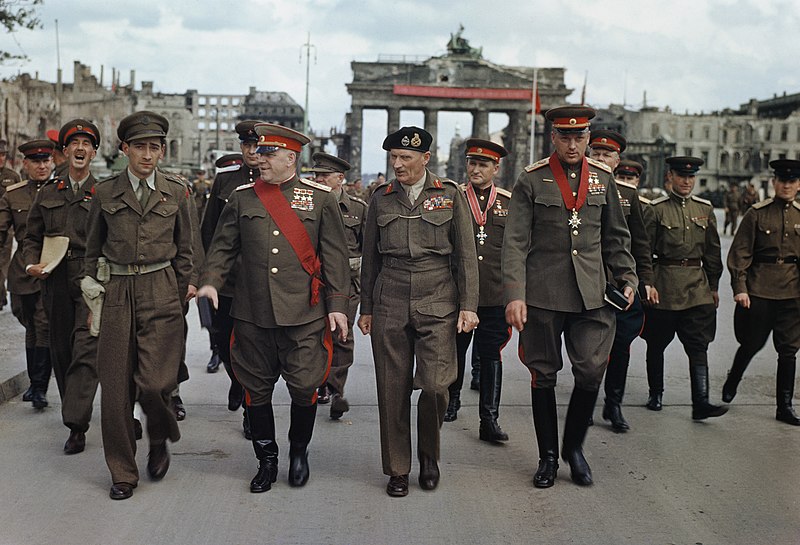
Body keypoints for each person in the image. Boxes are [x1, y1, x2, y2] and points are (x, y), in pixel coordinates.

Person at [198, 123, 350, 494]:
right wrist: (210, 282)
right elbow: (222, 248)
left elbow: (335, 258)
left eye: (268, 154)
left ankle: (299, 452)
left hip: (304, 314)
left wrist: (338, 306)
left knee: (304, 387)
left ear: (290, 158)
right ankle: (266, 460)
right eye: (258, 152)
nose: (259, 159)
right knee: (256, 391)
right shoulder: (242, 197)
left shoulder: (320, 199)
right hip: (253, 314)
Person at [502, 106, 637, 488]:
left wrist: (626, 275)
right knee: (543, 373)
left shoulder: (602, 179)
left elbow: (615, 236)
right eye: (565, 136)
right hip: (543, 294)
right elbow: (514, 243)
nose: (573, 144)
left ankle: (573, 448)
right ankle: (547, 457)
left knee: (592, 369)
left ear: (589, 138)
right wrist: (515, 295)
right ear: (554, 138)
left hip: (592, 295)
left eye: (580, 137)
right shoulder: (532, 180)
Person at [358, 126, 479, 497]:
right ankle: (397, 468)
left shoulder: (449, 194)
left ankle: (429, 453)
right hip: (390, 296)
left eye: (406, 158)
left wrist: (468, 306)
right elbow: (370, 258)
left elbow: (465, 256)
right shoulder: (380, 197)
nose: (398, 164)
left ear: (425, 159)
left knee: (435, 384)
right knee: (391, 388)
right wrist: (366, 308)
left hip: (437, 296)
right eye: (393, 157)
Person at [82, 111, 193, 500]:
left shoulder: (177, 192)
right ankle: (123, 473)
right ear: (125, 149)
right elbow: (91, 248)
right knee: (114, 389)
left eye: (155, 147)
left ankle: (159, 433)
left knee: (156, 383)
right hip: (116, 291)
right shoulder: (106, 192)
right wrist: (92, 288)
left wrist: (178, 298)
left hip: (161, 288)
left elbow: (186, 253)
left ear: (162, 151)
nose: (148, 155)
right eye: (141, 147)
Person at [23, 119, 101, 454]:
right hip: (54, 279)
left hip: (90, 280)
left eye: (87, 144)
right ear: (65, 151)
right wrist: (30, 263)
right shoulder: (48, 193)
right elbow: (31, 237)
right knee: (61, 350)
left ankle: (76, 423)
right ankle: (77, 413)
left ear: (94, 152)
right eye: (75, 144)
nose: (80, 149)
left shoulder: (105, 193)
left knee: (86, 349)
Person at [642, 156, 727, 420]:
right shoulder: (656, 210)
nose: (687, 181)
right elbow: (643, 251)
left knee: (698, 344)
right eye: (682, 176)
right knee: (657, 343)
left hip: (696, 286)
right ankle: (656, 393)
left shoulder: (705, 209)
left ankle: (700, 401)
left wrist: (713, 286)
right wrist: (648, 283)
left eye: (691, 177)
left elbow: (713, 251)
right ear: (671, 177)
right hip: (665, 285)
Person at [443, 138, 512, 444]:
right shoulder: (453, 197)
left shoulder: (509, 203)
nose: (475, 169)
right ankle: (451, 401)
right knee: (455, 350)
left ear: (496, 168)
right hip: (458, 292)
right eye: (472, 163)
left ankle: (489, 418)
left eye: (483, 165)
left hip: (495, 294)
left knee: (491, 355)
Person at [723, 159, 800, 426]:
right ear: (774, 183)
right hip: (760, 290)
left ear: (798, 185)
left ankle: (785, 406)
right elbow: (740, 254)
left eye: (792, 182)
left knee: (789, 350)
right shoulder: (756, 213)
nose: (787, 186)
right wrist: (740, 288)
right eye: (782, 181)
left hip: (792, 293)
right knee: (752, 343)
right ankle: (733, 379)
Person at [589, 131, 655, 433]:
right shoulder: (577, 189)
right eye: (597, 153)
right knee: (588, 350)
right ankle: (585, 402)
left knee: (621, 346)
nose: (601, 159)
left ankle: (613, 403)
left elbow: (640, 244)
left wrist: (645, 281)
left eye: (607, 155)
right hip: (587, 283)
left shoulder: (628, 196)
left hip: (619, 286)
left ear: (617, 161)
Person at [199, 120, 261, 439]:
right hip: (227, 281)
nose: (253, 151)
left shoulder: (272, 181)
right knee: (223, 341)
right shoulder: (225, 181)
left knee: (251, 349)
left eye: (258, 145)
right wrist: (208, 273)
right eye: (248, 145)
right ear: (241, 147)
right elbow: (209, 229)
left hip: (259, 282)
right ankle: (236, 382)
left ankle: (252, 409)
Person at [307, 152, 366, 420]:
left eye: (324, 175)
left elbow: (367, 249)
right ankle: (318, 382)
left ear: (340, 179)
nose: (318, 179)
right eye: (316, 174)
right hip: (312, 282)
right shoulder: (306, 204)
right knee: (314, 333)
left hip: (347, 283)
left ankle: (336, 388)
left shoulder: (357, 209)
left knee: (342, 334)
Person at [1, 139, 54, 409]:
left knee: (44, 325)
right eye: (36, 161)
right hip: (22, 272)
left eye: (46, 161)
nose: (42, 166)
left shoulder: (60, 192)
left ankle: (39, 387)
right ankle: (35, 384)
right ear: (26, 165)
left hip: (52, 269)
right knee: (31, 326)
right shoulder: (14, 194)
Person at [0, 139, 21, 311]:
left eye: (3, 155)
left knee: (2, 263)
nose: (0, 158)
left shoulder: (12, 176)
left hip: (6, 229)